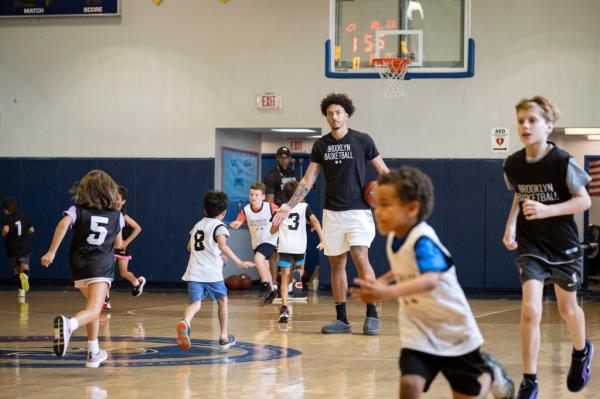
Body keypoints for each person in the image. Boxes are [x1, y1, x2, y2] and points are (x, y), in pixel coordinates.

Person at [351, 167, 515, 399]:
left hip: (453, 328)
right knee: (409, 386)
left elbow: (431, 279)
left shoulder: (423, 239)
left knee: (469, 395)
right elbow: (403, 265)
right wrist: (382, 281)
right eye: (378, 204)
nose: (378, 211)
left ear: (412, 209)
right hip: (418, 328)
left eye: (386, 205)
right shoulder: (394, 237)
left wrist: (388, 292)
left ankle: (490, 373)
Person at [273, 92, 389, 335]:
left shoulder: (363, 140)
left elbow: (383, 171)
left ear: (346, 115)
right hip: (332, 213)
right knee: (337, 264)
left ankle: (371, 314)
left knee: (361, 258)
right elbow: (307, 180)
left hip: (359, 212)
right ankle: (342, 319)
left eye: (338, 113)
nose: (334, 117)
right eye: (329, 114)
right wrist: (288, 206)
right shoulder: (321, 145)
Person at [503, 96, 594, 398]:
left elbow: (584, 201)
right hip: (531, 244)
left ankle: (581, 352)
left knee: (568, 309)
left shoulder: (562, 161)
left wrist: (547, 210)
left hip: (563, 245)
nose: (525, 126)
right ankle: (530, 381)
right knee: (531, 310)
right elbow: (518, 195)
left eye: (532, 120)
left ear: (549, 126)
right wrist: (511, 225)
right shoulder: (513, 164)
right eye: (521, 121)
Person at [41, 169, 124, 368]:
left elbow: (63, 224)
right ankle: (70, 325)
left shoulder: (76, 210)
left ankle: (94, 351)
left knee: (91, 308)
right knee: (95, 309)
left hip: (79, 265)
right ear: (109, 191)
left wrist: (51, 252)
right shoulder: (116, 215)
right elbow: (119, 244)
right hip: (101, 266)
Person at [176, 191, 254, 351]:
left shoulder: (198, 225)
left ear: (205, 210)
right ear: (224, 212)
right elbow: (222, 245)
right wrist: (238, 262)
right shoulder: (220, 227)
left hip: (194, 272)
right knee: (222, 301)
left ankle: (186, 322)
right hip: (211, 274)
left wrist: (215, 253)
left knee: (195, 303)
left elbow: (190, 247)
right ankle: (224, 336)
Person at [270, 181, 324, 322]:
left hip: (284, 247)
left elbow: (272, 230)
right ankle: (297, 277)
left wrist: (280, 225)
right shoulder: (305, 207)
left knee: (284, 275)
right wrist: (323, 239)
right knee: (300, 268)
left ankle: (284, 308)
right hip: (299, 246)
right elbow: (316, 222)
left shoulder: (282, 208)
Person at [230, 182, 279, 305]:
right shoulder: (246, 210)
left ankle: (265, 284)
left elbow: (282, 216)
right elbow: (239, 221)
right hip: (257, 243)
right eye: (251, 194)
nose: (253, 197)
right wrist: (236, 224)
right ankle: (272, 291)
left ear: (263, 197)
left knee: (257, 258)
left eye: (257, 195)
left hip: (270, 240)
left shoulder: (271, 207)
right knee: (265, 267)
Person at [103, 186, 145, 310]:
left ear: (123, 201)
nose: (115, 201)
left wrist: (127, 241)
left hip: (122, 247)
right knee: (106, 272)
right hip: (110, 247)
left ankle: (138, 283)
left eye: (118, 199)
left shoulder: (123, 216)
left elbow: (138, 228)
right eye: (114, 198)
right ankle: (105, 298)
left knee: (123, 272)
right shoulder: (109, 213)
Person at [264, 146, 298, 294]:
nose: (284, 159)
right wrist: (273, 218)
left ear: (289, 158)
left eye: (286, 156)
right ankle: (273, 284)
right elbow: (269, 201)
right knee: (273, 251)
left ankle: (289, 284)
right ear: (277, 158)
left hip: (292, 213)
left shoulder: (292, 173)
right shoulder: (272, 176)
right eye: (281, 156)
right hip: (279, 214)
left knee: (290, 250)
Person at [1, 198, 35, 302]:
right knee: (24, 265)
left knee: (16, 270)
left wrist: (4, 234)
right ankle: (25, 275)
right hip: (24, 247)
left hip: (11, 248)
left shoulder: (7, 218)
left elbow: (6, 229)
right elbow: (32, 229)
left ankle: (21, 292)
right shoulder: (23, 216)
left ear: (5, 209)